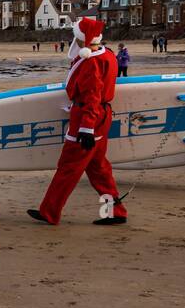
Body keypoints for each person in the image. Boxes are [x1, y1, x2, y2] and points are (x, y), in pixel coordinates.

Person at [28, 17, 127, 226]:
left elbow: (92, 96)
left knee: (68, 167)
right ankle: (114, 211)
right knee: (98, 168)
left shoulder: (91, 62)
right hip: (101, 117)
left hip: (88, 118)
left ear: (82, 40)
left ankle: (49, 212)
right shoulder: (107, 55)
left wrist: (86, 129)